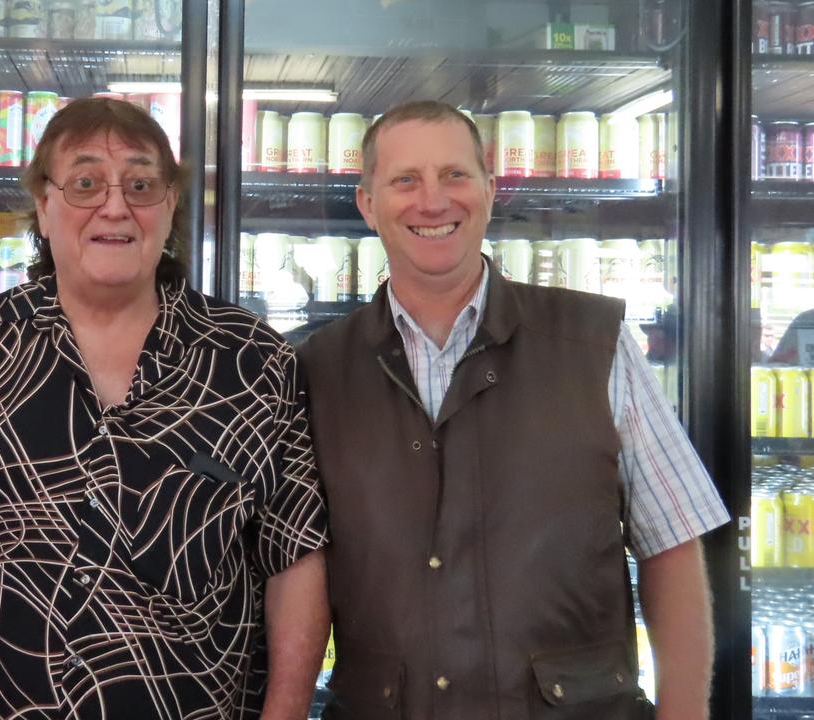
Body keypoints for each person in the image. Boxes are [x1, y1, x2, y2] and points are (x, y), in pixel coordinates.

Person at [0, 97, 330, 720]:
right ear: (43, 204)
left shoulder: (252, 361)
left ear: (171, 205)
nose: (115, 206)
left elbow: (293, 560)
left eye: (141, 185)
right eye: (85, 182)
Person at [298, 100, 729, 720]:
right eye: (404, 180)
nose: (432, 201)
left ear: (490, 191)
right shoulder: (315, 370)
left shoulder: (594, 343)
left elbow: (671, 546)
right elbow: (296, 574)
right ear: (367, 205)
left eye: (454, 175)